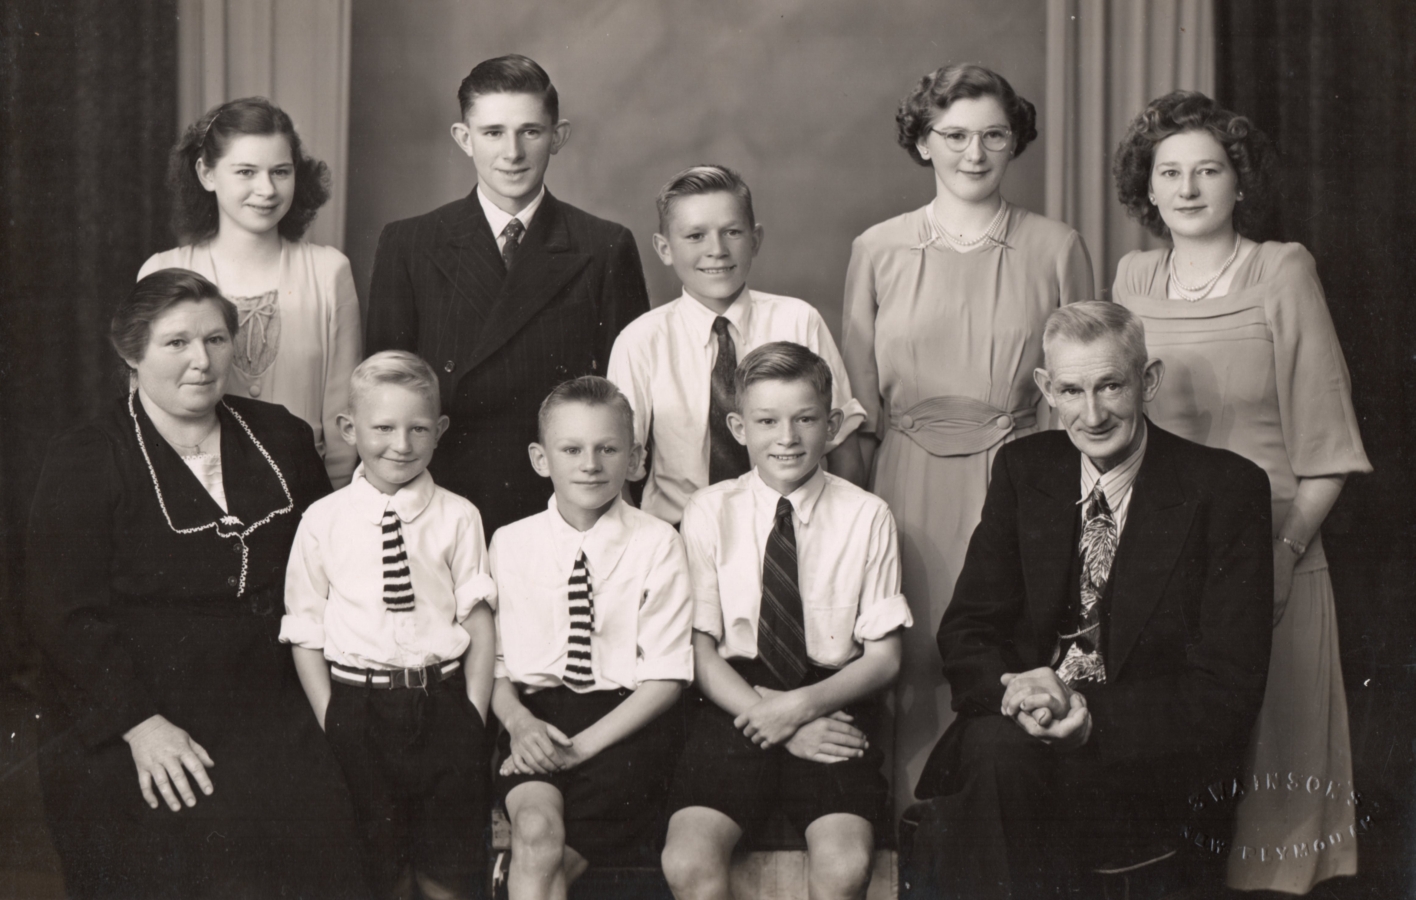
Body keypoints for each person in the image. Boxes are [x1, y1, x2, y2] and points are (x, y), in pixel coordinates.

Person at [909, 302, 1273, 899]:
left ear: (1147, 381)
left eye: (1110, 386)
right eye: (1072, 391)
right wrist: (1021, 693)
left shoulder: (1225, 489)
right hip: (1019, 731)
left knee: (992, 791)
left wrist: (1088, 719)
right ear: (1047, 390)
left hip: (1143, 755)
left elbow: (1228, 686)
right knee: (998, 758)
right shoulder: (1026, 469)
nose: (1093, 413)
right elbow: (968, 630)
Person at [24, 269, 368, 899]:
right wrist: (139, 724)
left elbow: (332, 565)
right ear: (132, 352)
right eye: (176, 343)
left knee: (323, 838)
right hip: (136, 701)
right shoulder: (87, 454)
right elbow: (62, 614)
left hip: (271, 699)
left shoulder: (280, 435)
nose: (201, 362)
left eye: (215, 340)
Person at [1110, 91, 1372, 894]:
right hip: (1158, 561)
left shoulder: (1282, 269)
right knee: (1165, 799)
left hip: (1271, 548)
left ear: (1238, 182)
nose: (1189, 189)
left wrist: (1287, 553)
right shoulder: (1131, 275)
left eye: (1209, 170)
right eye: (1170, 173)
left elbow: (1328, 445)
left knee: (1272, 804)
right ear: (1147, 189)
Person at [841, 64, 1095, 810]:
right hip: (905, 482)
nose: (973, 153)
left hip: (1020, 480)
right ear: (922, 143)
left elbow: (1081, 388)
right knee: (912, 657)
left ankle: (994, 845)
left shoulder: (1057, 247)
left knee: (1009, 655)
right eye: (953, 135)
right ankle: (912, 837)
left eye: (993, 135)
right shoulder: (877, 249)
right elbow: (858, 401)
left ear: (1015, 142)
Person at [661, 342, 911, 900]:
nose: (788, 438)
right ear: (738, 426)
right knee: (686, 862)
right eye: (767, 421)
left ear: (834, 424)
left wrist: (797, 712)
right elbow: (701, 652)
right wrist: (769, 715)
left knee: (845, 867)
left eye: (806, 419)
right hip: (733, 699)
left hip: (832, 702)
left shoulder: (867, 515)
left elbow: (885, 657)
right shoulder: (708, 510)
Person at [367, 55, 650, 536]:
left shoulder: (604, 245)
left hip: (563, 500)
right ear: (463, 138)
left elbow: (624, 398)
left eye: (531, 132)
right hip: (443, 497)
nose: (512, 152)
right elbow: (384, 392)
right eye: (493, 132)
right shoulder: (409, 243)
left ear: (557, 136)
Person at [281, 351, 497, 899]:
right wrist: (332, 717)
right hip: (359, 709)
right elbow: (305, 629)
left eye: (418, 428)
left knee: (447, 869)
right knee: (381, 870)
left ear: (439, 431)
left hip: (443, 703)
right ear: (349, 429)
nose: (401, 444)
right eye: (383, 428)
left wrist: (472, 713)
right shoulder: (322, 521)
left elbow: (477, 616)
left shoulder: (458, 515)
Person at [489, 376, 692, 900]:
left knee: (557, 861)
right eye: (571, 449)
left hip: (625, 724)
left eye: (608, 448)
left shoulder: (658, 543)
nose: (590, 464)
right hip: (535, 718)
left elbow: (666, 678)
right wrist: (519, 724)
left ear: (636, 457)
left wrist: (578, 751)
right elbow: (495, 664)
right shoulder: (509, 543)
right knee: (536, 833)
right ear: (540, 458)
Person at [606, 164, 866, 526]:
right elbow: (613, 467)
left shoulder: (797, 320)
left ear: (755, 239)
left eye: (732, 232)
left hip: (791, 529)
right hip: (679, 535)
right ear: (664, 249)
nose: (717, 250)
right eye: (695, 236)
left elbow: (844, 451)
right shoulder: (640, 340)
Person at [140, 96, 362, 488]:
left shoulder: (329, 272)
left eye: (280, 171)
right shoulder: (162, 271)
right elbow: (146, 410)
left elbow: (342, 415)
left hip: (306, 493)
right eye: (245, 171)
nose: (266, 189)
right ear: (206, 174)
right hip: (191, 492)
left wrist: (335, 508)